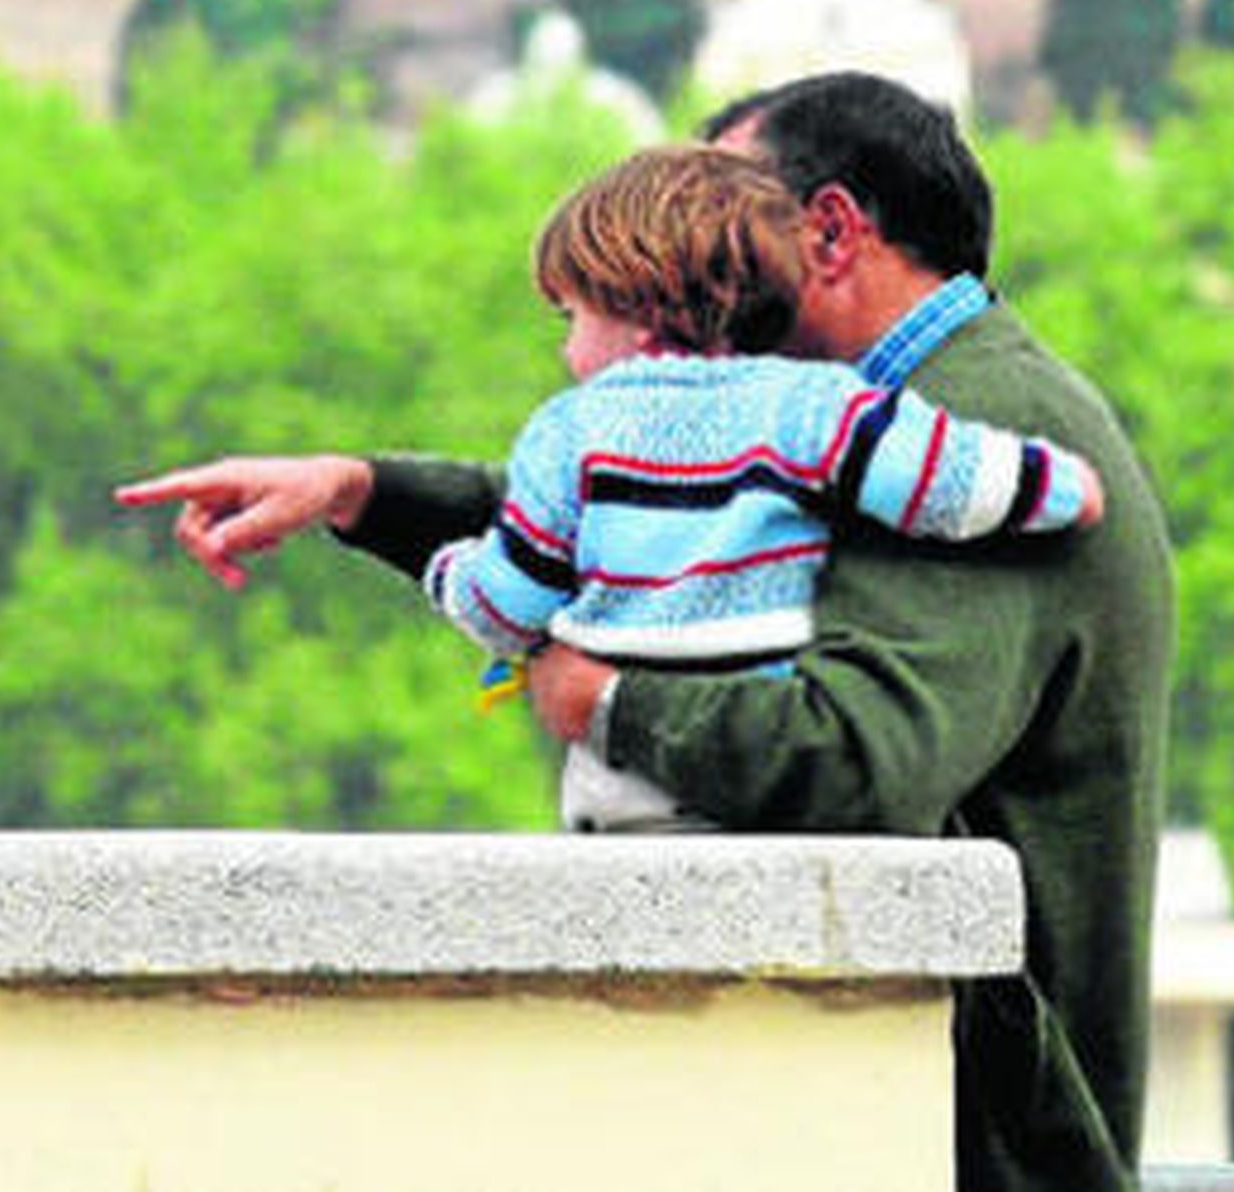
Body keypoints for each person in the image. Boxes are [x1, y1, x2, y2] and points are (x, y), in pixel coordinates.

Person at [115, 72, 1173, 1192]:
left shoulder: (981, 423)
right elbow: (647, 511)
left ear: (826, 232)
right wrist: (358, 492)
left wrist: (608, 699)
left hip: (968, 1139)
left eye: (718, 211)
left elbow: (863, 756)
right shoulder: (866, 418)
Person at [415, 142, 1101, 830]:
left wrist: (448, 572)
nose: (568, 351)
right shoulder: (812, 403)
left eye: (573, 317)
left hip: (623, 790)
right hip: (750, 770)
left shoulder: (569, 431)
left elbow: (508, 605)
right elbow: (942, 482)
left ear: (638, 304)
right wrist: (1061, 487)